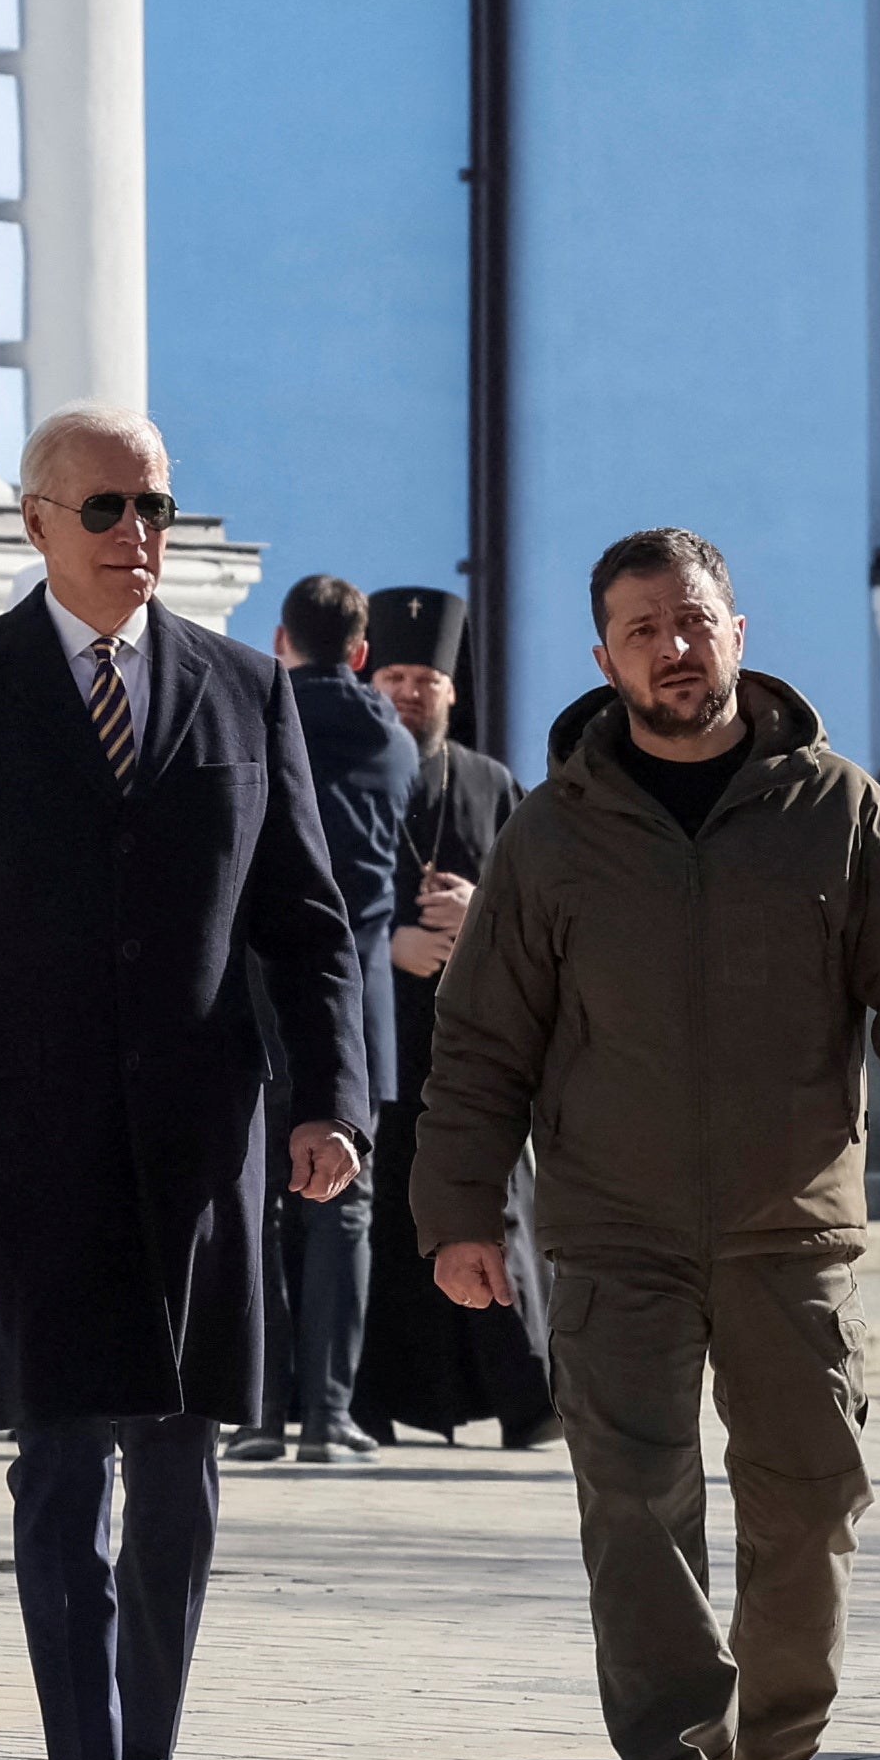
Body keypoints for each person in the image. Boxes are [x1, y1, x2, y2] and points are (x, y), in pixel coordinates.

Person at [412, 528, 880, 1760]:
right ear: (603, 656)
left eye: (691, 620)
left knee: (806, 1507)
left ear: (737, 630)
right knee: (635, 1517)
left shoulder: (834, 811)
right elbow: (481, 1037)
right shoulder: (550, 835)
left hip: (788, 1227)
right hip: (609, 1232)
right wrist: (455, 1209)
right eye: (640, 629)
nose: (671, 648)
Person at [0, 403, 368, 1760]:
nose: (136, 535)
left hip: (202, 1150)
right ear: (33, 522)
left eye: (154, 508)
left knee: (184, 1474)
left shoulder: (240, 689)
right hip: (23, 1149)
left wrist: (331, 1102)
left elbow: (308, 928)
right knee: (61, 1470)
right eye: (105, 510)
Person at [347, 585, 553, 1449]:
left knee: (493, 1208)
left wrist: (478, 914)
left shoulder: (490, 783)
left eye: (423, 678)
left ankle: (526, 1398)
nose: (406, 692)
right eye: (392, 675)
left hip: (470, 1047)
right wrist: (388, 941)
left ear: (450, 691)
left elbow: (532, 903)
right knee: (388, 1219)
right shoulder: (345, 773)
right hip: (378, 1037)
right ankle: (375, 1400)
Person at [227, 574, 418, 1468]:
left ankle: (260, 1409)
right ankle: (330, 1417)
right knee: (345, 1210)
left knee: (257, 1204)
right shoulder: (393, 740)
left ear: (280, 639)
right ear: (360, 650)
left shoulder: (250, 712)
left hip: (258, 988)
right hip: (361, 1000)